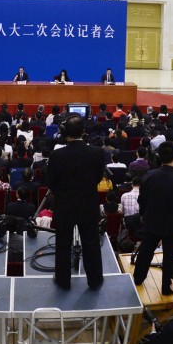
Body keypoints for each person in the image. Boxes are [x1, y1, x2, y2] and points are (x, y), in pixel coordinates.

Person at [43, 114, 105, 291]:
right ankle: (95, 280)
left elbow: (50, 182)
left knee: (63, 245)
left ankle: (63, 281)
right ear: (83, 132)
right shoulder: (97, 153)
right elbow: (97, 178)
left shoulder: (57, 155)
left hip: (64, 207)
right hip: (88, 205)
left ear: (64, 133)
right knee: (91, 244)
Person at [132, 142, 173, 296]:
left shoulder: (148, 176)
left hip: (152, 221)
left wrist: (142, 214)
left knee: (146, 252)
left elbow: (142, 200)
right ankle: (168, 289)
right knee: (170, 257)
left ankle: (137, 279)